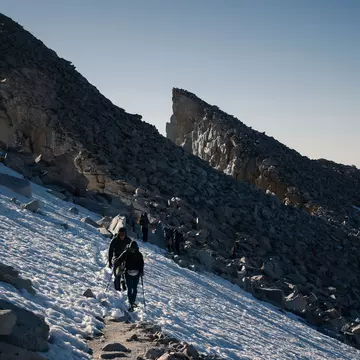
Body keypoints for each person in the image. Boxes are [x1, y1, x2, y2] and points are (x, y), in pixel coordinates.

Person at [113, 241, 144, 312]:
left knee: (134, 288)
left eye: (134, 249)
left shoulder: (139, 255)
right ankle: (131, 303)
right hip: (128, 273)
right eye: (131, 249)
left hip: (136, 273)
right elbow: (120, 259)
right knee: (130, 288)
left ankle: (132, 301)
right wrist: (116, 261)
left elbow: (141, 264)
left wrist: (141, 271)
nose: (133, 250)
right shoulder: (126, 253)